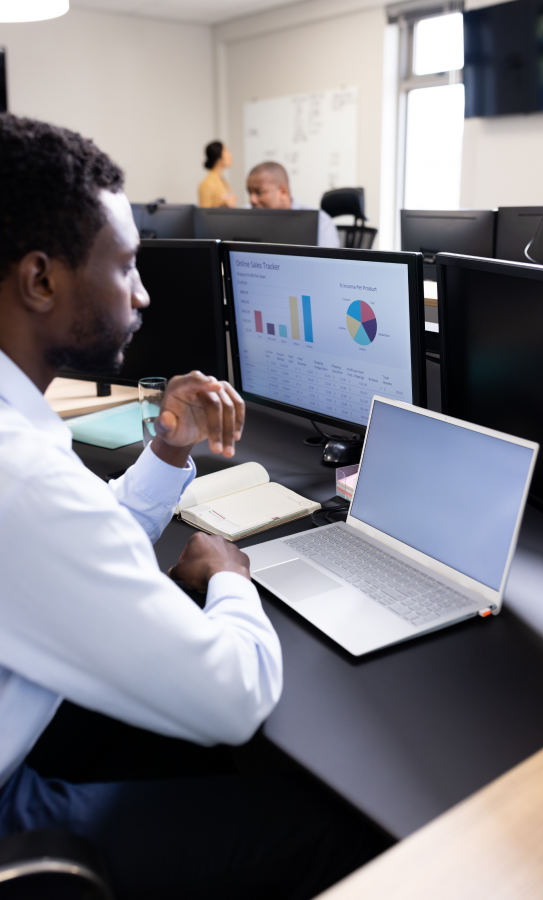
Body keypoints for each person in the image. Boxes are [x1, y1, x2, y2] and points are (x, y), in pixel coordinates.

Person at [0, 114, 389, 900]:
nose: (142, 294)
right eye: (127, 267)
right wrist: (228, 575)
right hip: (12, 810)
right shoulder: (21, 475)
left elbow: (64, 541)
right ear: (40, 280)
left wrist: (169, 452)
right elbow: (235, 695)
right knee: (337, 824)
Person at [246, 161, 340, 248]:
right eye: (249, 192)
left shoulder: (321, 221)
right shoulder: (245, 215)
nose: (252, 200)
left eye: (259, 192)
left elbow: (328, 264)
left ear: (283, 192)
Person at [198, 140, 236, 208]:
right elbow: (204, 214)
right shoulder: (207, 184)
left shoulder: (222, 180)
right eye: (227, 151)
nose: (230, 154)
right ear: (218, 157)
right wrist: (223, 207)